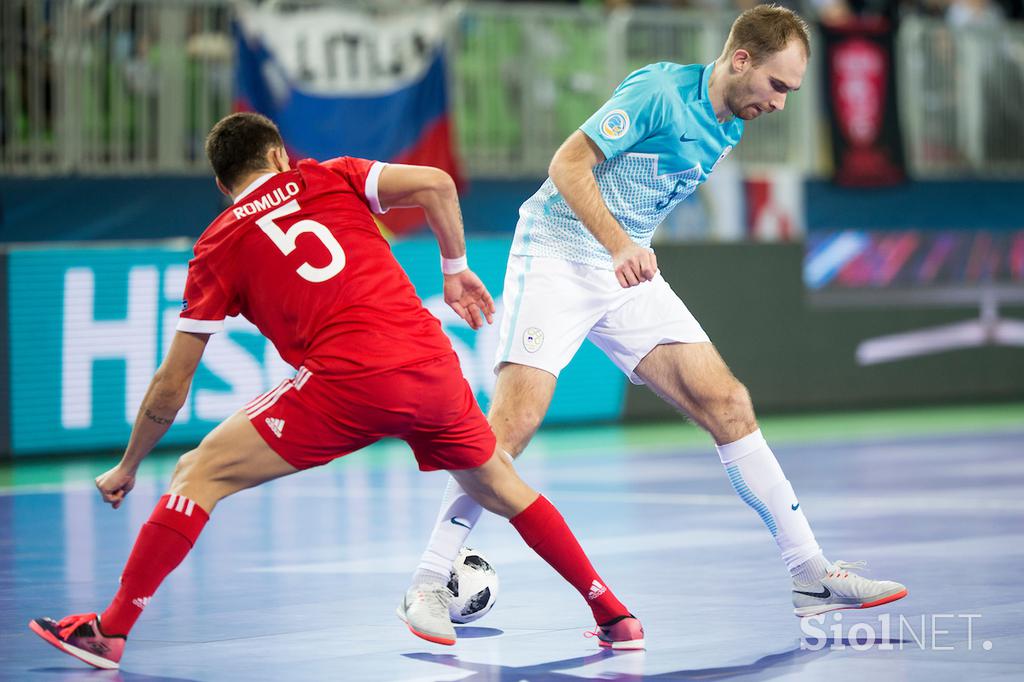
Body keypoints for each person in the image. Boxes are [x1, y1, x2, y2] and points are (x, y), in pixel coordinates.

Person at [28, 112, 644, 671]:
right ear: (277, 157)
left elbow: (172, 385)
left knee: (197, 474)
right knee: (504, 486)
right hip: (431, 365)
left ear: (223, 185)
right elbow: (436, 183)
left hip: (344, 382)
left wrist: (129, 465)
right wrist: (455, 273)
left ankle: (110, 632)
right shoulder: (328, 177)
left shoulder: (218, 243)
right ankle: (614, 616)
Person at [409, 4, 907, 623]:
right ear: (740, 59)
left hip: (622, 273)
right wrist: (620, 242)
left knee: (727, 402)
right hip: (559, 255)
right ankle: (429, 580)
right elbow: (567, 164)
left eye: (791, 92)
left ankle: (808, 574)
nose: (781, 103)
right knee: (511, 427)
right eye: (777, 85)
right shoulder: (658, 92)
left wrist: (624, 246)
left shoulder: (729, 126)